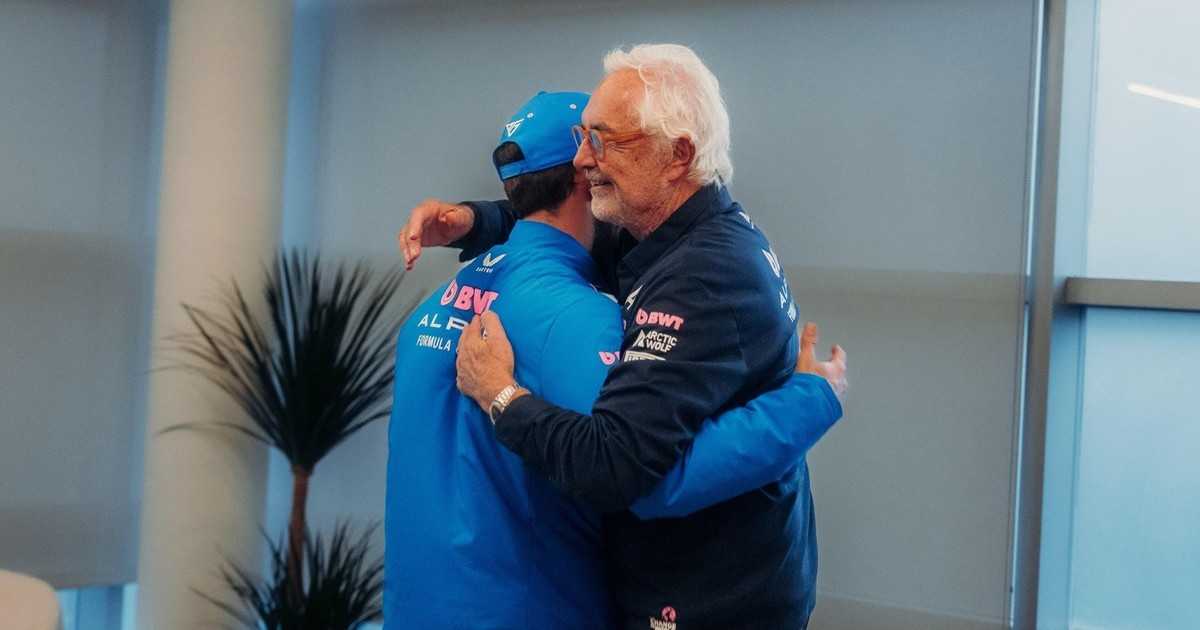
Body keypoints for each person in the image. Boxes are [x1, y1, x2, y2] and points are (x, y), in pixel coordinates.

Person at [403, 44, 848, 629]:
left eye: (603, 140)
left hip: (717, 601)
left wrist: (500, 395)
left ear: (677, 155)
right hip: (677, 581)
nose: (583, 160)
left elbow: (618, 466)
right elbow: (563, 217)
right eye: (583, 138)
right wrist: (476, 220)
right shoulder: (656, 229)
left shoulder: (704, 275)